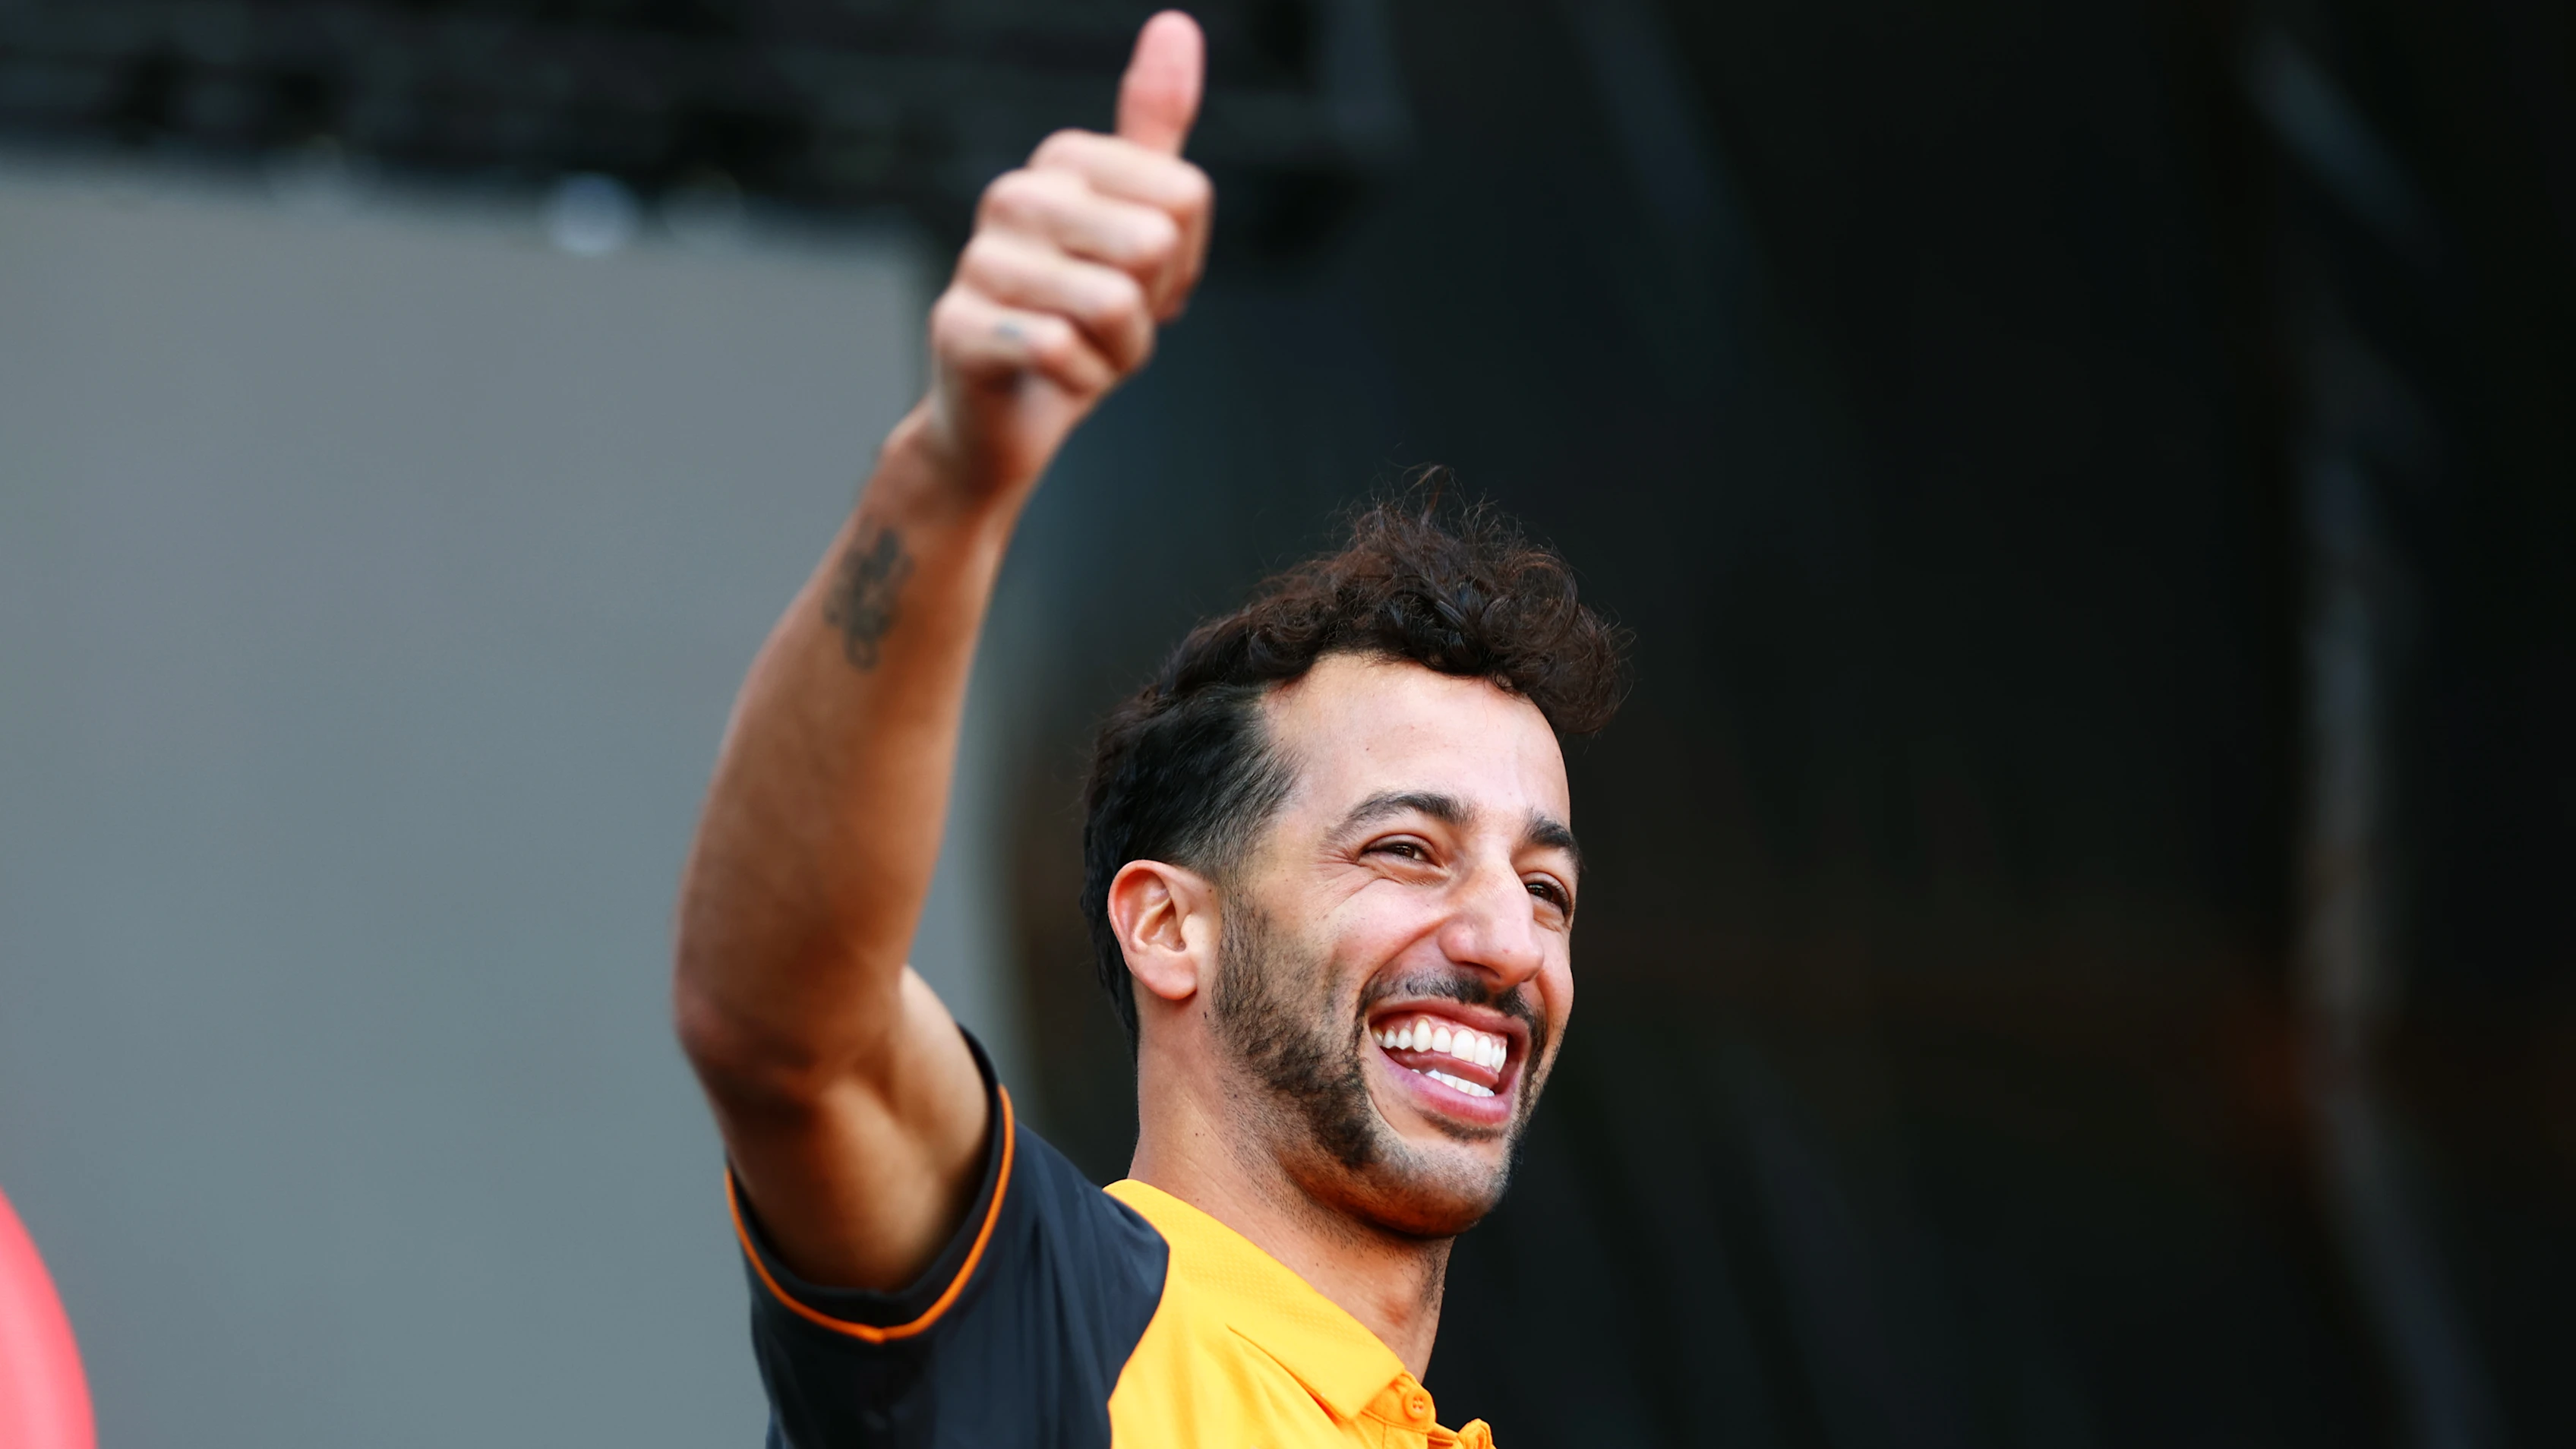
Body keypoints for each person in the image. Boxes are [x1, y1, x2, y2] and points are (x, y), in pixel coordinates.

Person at [672, 11, 1626, 1445]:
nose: (1508, 942)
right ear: (1169, 927)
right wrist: (951, 474)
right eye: (1407, 851)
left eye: (1545, 888)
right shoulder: (1058, 1324)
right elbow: (785, 1032)